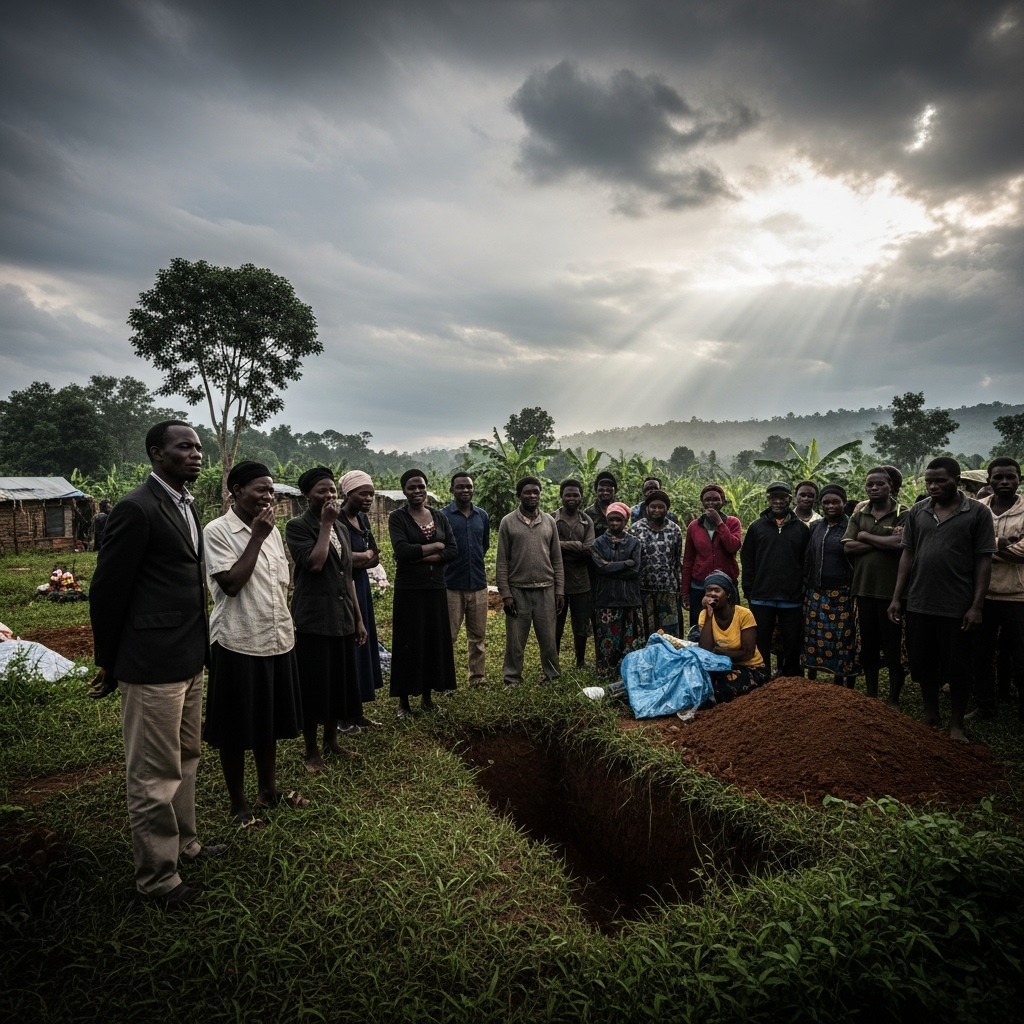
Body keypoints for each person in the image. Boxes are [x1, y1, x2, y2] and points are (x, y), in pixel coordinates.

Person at [89, 420, 226, 909]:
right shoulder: (137, 507)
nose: (196, 454)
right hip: (150, 661)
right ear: (156, 453)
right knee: (153, 772)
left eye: (199, 447)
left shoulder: (186, 504)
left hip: (188, 655)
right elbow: (108, 590)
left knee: (186, 757)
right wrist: (109, 661)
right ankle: (157, 878)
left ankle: (185, 842)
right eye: (184, 447)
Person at [203, 462, 304, 827]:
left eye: (271, 490)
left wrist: (286, 620)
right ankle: (238, 805)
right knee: (235, 728)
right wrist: (257, 537)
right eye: (261, 489)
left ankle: (268, 790)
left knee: (268, 720)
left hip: (275, 638)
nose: (268, 496)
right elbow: (231, 584)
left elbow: (279, 583)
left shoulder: (272, 530)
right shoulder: (217, 531)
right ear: (236, 491)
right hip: (237, 640)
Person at [888, 457, 997, 742]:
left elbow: (984, 561)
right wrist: (897, 597)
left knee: (958, 667)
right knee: (924, 664)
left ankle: (956, 724)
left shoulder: (977, 513)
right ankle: (931, 714)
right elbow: (907, 554)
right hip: (920, 602)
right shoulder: (918, 511)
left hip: (957, 605)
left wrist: (976, 606)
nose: (933, 486)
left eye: (941, 481)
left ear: (957, 480)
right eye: (929, 481)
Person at [287, 467, 368, 770]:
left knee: (337, 682)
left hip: (341, 617)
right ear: (307, 496)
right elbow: (315, 564)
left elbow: (347, 577)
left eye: (332, 490)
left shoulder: (342, 528)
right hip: (313, 619)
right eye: (322, 491)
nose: (329, 495)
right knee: (314, 686)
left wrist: (357, 619)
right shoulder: (297, 526)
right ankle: (311, 752)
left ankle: (331, 741)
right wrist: (325, 525)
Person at [388, 469, 458, 717]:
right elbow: (402, 551)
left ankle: (427, 698)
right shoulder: (397, 518)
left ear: (426, 488)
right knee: (408, 643)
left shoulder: (439, 517)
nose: (417, 491)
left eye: (421, 486)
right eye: (411, 487)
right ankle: (404, 703)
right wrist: (436, 546)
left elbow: (452, 550)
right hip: (409, 590)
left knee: (432, 641)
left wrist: (424, 555)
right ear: (404, 491)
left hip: (436, 587)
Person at [842, 467, 910, 706]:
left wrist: (866, 536)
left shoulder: (904, 513)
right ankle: (872, 696)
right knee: (868, 647)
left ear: (891, 486)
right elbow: (848, 547)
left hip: (892, 593)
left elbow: (903, 545)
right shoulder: (859, 515)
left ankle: (893, 699)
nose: (873, 488)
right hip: (863, 590)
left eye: (879, 484)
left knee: (893, 648)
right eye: (869, 484)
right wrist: (885, 541)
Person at [496, 476, 564, 687]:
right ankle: (512, 678)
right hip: (518, 591)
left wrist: (559, 590)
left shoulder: (549, 521)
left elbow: (557, 559)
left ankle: (552, 677)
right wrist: (506, 594)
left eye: (536, 492)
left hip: (546, 589)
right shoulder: (508, 522)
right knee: (515, 641)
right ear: (519, 495)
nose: (532, 495)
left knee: (548, 640)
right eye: (527, 492)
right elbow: (502, 562)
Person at [740, 481, 810, 677]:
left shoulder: (801, 529)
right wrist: (749, 589)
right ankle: (762, 678)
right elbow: (747, 560)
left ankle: (791, 680)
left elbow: (807, 562)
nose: (778, 501)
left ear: (789, 499)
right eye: (774, 498)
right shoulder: (757, 527)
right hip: (762, 596)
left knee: (792, 642)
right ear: (768, 499)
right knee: (761, 640)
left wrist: (802, 589)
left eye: (782, 497)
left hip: (792, 598)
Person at [973, 458, 1024, 722]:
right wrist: (1001, 543)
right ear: (989, 480)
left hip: (1018, 596)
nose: (1004, 481)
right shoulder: (976, 508)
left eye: (1010, 477)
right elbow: (963, 545)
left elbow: (1022, 554)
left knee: (1020, 655)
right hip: (981, 596)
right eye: (998, 477)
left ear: (1019, 479)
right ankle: (985, 707)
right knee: (981, 654)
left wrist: (984, 547)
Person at [340, 470, 384, 725]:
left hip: (362, 586)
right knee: (350, 647)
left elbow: (375, 556)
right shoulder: (338, 521)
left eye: (371, 494)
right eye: (363, 494)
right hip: (346, 589)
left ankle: (357, 712)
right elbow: (341, 560)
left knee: (363, 645)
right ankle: (343, 715)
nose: (368, 498)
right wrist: (361, 557)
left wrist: (362, 558)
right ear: (348, 494)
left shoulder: (362, 520)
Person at [801, 484, 856, 686]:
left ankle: (842, 683)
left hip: (842, 593)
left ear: (843, 503)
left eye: (835, 502)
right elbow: (809, 558)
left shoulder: (852, 526)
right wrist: (806, 585)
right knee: (813, 637)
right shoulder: (816, 526)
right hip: (817, 592)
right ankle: (811, 682)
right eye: (826, 502)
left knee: (843, 640)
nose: (830, 506)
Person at [441, 472, 490, 687]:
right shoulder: (443, 516)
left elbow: (484, 545)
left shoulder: (482, 516)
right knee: (448, 637)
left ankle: (477, 678)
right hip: (451, 585)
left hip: (478, 583)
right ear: (452, 490)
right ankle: (445, 681)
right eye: (460, 487)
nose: (465, 490)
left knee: (478, 636)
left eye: (468, 486)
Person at [697, 571, 767, 702]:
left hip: (750, 667)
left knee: (722, 689)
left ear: (728, 594)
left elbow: (747, 654)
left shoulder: (744, 615)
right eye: (708, 591)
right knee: (697, 683)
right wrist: (709, 615)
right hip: (721, 667)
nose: (712, 594)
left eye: (717, 590)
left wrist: (718, 652)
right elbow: (706, 650)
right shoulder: (704, 615)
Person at [681, 484, 742, 629]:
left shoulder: (732, 523)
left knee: (727, 626)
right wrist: (685, 591)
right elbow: (688, 560)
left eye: (716, 499)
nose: (711, 503)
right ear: (702, 502)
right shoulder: (694, 526)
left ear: (723, 501)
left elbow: (733, 546)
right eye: (707, 500)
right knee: (700, 626)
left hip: (726, 583)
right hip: (699, 584)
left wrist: (719, 522)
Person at [592, 501, 643, 674]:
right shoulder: (598, 543)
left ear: (625, 521)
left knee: (629, 637)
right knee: (607, 635)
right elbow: (600, 568)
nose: (614, 523)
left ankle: (628, 670)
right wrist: (625, 563)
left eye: (618, 520)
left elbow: (635, 570)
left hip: (629, 597)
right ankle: (606, 669)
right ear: (607, 520)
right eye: (611, 519)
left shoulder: (634, 543)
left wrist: (611, 567)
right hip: (606, 597)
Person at [553, 479, 595, 668]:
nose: (572, 498)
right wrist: (576, 545)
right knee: (556, 624)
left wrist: (560, 546)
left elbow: (589, 549)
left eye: (575, 495)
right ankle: (553, 661)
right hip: (557, 579)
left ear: (581, 497)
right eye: (568, 494)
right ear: (561, 496)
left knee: (581, 624)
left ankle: (580, 661)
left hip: (581, 580)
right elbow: (548, 546)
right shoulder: (552, 519)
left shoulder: (587, 521)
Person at [630, 489, 683, 636]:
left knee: (669, 632)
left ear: (667, 508)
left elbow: (677, 560)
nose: (657, 510)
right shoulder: (636, 529)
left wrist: (680, 587)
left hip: (668, 589)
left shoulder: (674, 530)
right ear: (647, 508)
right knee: (645, 630)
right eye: (653, 506)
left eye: (661, 507)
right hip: (643, 589)